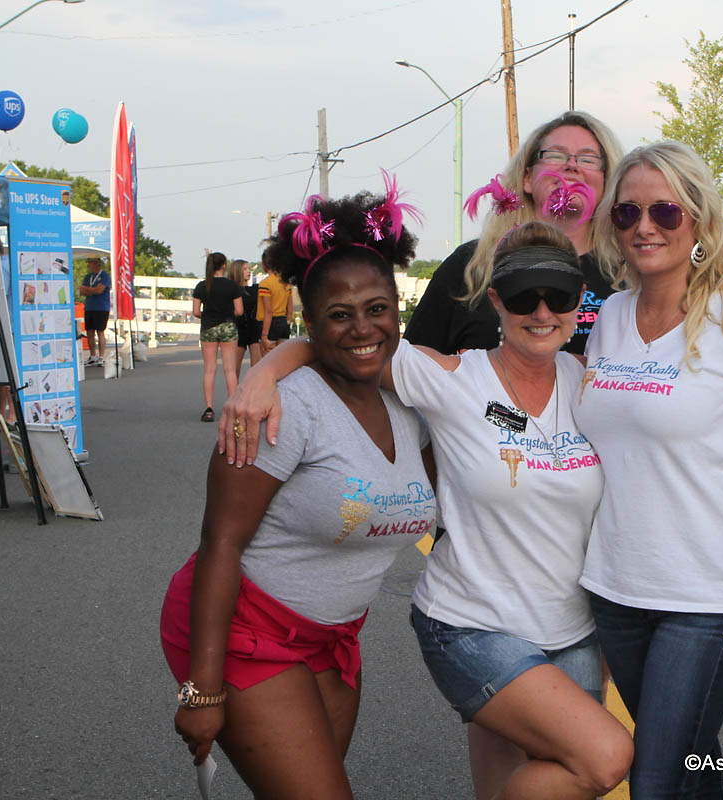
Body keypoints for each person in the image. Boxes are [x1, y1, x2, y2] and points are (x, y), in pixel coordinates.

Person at [219, 222, 634, 800]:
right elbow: (343, 338)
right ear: (496, 301)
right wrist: (262, 374)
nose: (542, 312)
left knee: (525, 783)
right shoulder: (450, 378)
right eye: (523, 297)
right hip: (474, 623)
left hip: (572, 629)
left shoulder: (594, 384)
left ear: (579, 302)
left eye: (559, 296)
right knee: (604, 757)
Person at [161, 189, 436, 799]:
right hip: (245, 631)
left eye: (377, 309)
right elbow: (220, 542)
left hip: (332, 640)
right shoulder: (279, 410)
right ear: (310, 324)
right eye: (339, 314)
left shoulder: (412, 399)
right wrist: (202, 690)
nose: (362, 328)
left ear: (397, 311)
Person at [575, 140, 723, 799]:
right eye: (627, 213)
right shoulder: (610, 318)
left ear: (699, 221)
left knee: (654, 778)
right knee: (689, 761)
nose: (644, 227)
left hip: (706, 598)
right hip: (616, 589)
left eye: (665, 211)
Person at [403, 110, 624, 356]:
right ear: (527, 178)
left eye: (588, 159)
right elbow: (412, 361)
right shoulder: (470, 265)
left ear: (608, 182)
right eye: (555, 155)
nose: (571, 165)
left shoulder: (628, 271)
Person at [192, 253, 243, 422]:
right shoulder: (232, 286)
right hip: (228, 326)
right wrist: (227, 314)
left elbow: (196, 312)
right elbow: (240, 311)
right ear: (224, 266)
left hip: (209, 327)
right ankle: (232, 408)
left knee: (209, 370)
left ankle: (209, 409)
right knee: (230, 369)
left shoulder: (202, 286)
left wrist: (208, 315)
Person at [78, 257, 112, 367]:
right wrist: (93, 290)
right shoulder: (88, 276)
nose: (88, 266)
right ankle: (93, 356)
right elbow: (81, 291)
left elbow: (99, 290)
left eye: (90, 263)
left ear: (97, 264)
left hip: (101, 307)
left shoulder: (105, 276)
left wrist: (89, 290)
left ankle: (101, 357)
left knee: (100, 331)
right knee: (90, 332)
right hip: (89, 307)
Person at [257, 255, 293, 354]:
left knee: (268, 358)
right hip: (283, 322)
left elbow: (268, 311)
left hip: (269, 324)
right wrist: (287, 322)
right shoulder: (286, 283)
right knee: (281, 356)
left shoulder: (265, 284)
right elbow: (290, 309)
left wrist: (264, 335)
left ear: (264, 265)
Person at [231, 258, 260, 371]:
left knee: (257, 368)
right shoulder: (232, 291)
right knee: (234, 368)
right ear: (237, 271)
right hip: (238, 330)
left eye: (249, 268)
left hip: (254, 329)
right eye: (245, 269)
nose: (248, 271)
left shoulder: (255, 289)